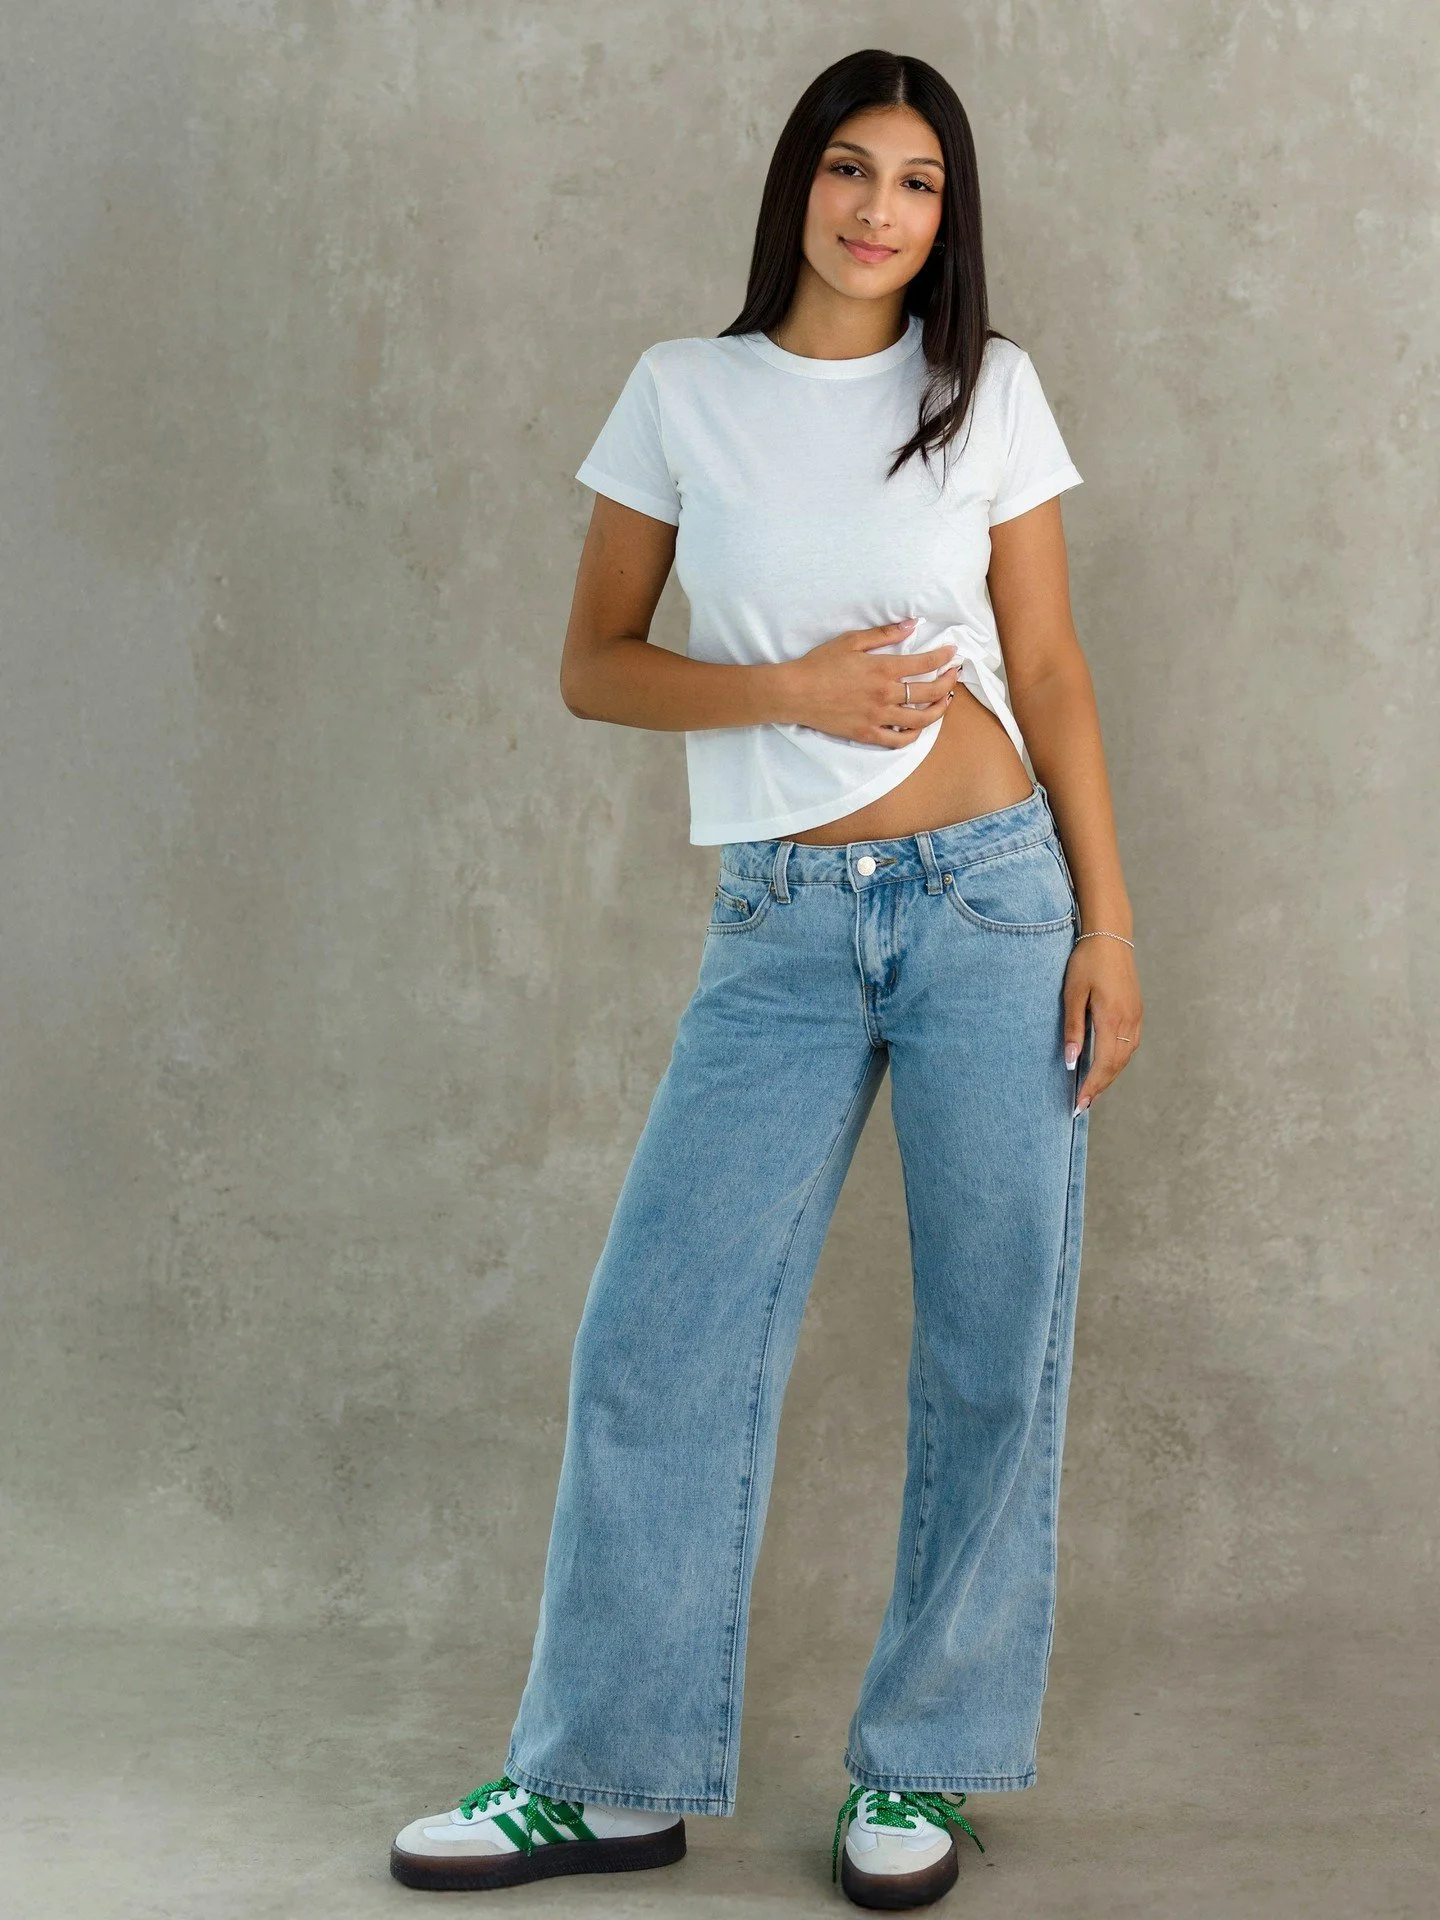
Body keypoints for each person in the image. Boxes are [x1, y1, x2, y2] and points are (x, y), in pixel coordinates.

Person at [391, 45, 1142, 1910]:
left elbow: (1046, 674)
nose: (880, 210)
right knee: (657, 1338)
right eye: (849, 169)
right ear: (796, 185)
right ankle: (604, 1774)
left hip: (990, 903)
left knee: (995, 1340)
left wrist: (1111, 927)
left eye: (918, 183)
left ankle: (925, 1769)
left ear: (945, 218)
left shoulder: (989, 396)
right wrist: (789, 693)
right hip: (782, 929)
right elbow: (596, 662)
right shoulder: (681, 393)